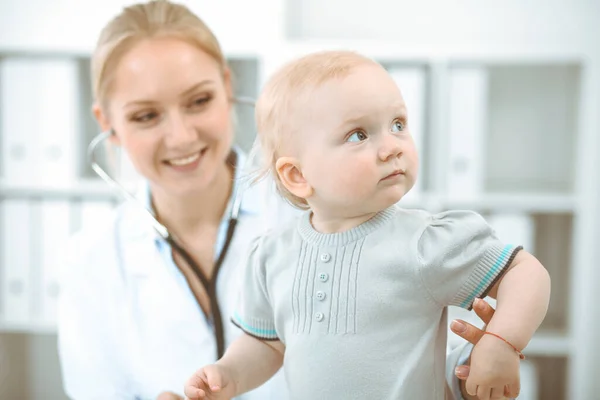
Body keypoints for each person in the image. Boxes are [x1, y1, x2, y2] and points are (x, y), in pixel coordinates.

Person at [55, 1, 513, 399]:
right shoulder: (88, 262)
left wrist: (473, 364)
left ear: (227, 86)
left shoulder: (349, 202)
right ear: (107, 123)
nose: (181, 136)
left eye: (199, 101)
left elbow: (404, 339)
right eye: (146, 115)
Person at [184, 50, 551, 400]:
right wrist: (228, 376)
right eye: (359, 134)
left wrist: (502, 341)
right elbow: (266, 344)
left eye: (398, 124)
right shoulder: (271, 255)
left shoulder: (423, 243)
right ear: (297, 175)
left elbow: (526, 272)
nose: (392, 146)